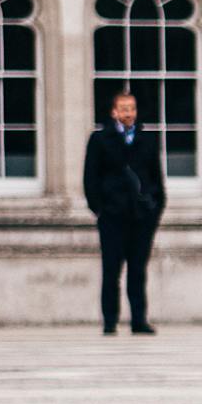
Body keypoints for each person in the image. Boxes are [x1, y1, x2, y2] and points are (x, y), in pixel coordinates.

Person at [82, 89, 164, 335]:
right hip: (112, 215)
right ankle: (110, 321)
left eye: (132, 108)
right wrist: (100, 209)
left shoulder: (147, 140)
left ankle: (138, 320)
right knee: (111, 270)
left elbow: (156, 178)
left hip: (141, 216)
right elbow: (90, 178)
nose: (129, 113)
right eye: (124, 109)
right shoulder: (100, 139)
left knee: (138, 270)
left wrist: (155, 209)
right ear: (114, 112)